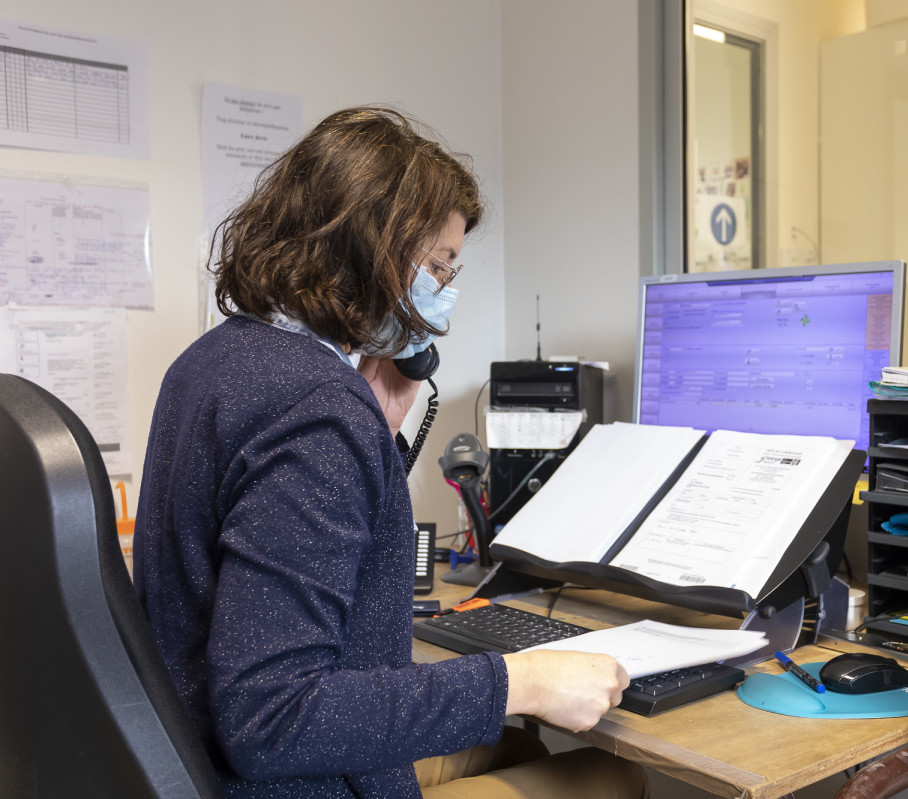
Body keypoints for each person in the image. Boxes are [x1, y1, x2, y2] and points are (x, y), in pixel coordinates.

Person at [134, 106, 648, 798]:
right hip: (280, 777)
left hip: (190, 760)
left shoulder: (214, 360)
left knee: (519, 742)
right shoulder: (315, 407)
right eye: (437, 266)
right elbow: (271, 718)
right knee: (607, 776)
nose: (444, 293)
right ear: (375, 249)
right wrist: (520, 679)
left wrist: (375, 428)